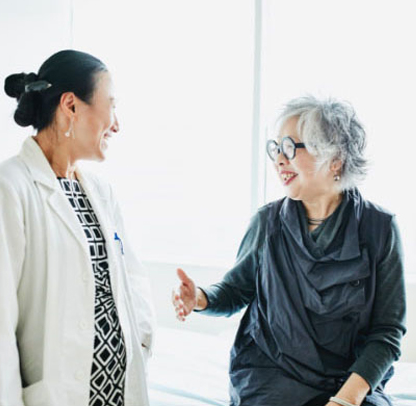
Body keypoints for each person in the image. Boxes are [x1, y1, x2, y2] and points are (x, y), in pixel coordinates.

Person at [172, 96, 406, 406]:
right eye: (275, 149)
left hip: (347, 382)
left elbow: (387, 333)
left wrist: (344, 400)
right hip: (271, 377)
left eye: (291, 148)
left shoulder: (380, 229)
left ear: (334, 159)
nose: (279, 160)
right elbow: (236, 290)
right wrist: (200, 298)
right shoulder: (267, 222)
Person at [0, 50, 155, 406]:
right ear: (71, 106)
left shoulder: (100, 192)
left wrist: (139, 339)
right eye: (111, 105)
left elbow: (131, 278)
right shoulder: (7, 188)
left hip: (118, 393)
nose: (116, 124)